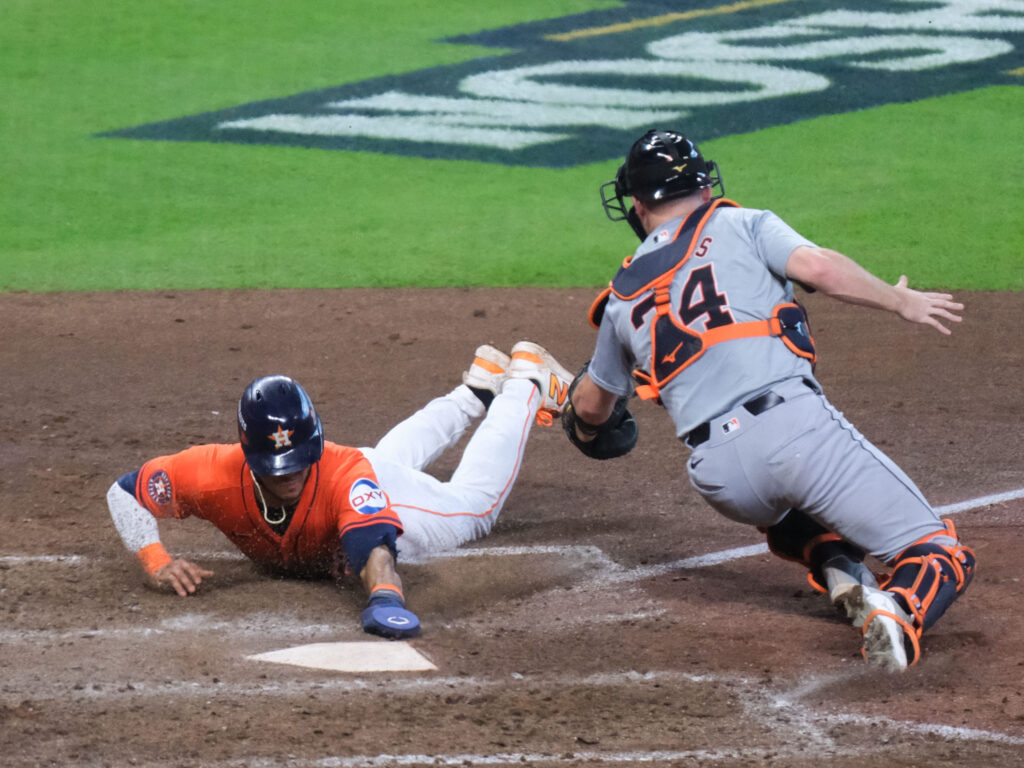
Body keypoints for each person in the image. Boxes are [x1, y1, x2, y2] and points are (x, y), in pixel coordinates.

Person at [561, 129, 975, 671]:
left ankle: (834, 559)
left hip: (721, 480)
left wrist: (578, 418)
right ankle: (899, 612)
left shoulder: (621, 297)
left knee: (790, 506)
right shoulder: (742, 222)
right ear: (705, 188)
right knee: (940, 554)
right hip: (796, 436)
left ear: (637, 206)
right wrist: (900, 300)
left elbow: (592, 410)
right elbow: (822, 270)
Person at [106, 341, 573, 639]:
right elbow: (125, 492)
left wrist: (385, 599)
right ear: (248, 456)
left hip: (367, 487)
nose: (290, 474)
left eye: (300, 459)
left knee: (474, 509)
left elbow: (374, 554)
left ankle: (525, 385)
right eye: (276, 466)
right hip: (361, 470)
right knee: (381, 457)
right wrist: (156, 561)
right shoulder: (210, 472)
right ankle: (477, 391)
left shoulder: (342, 475)